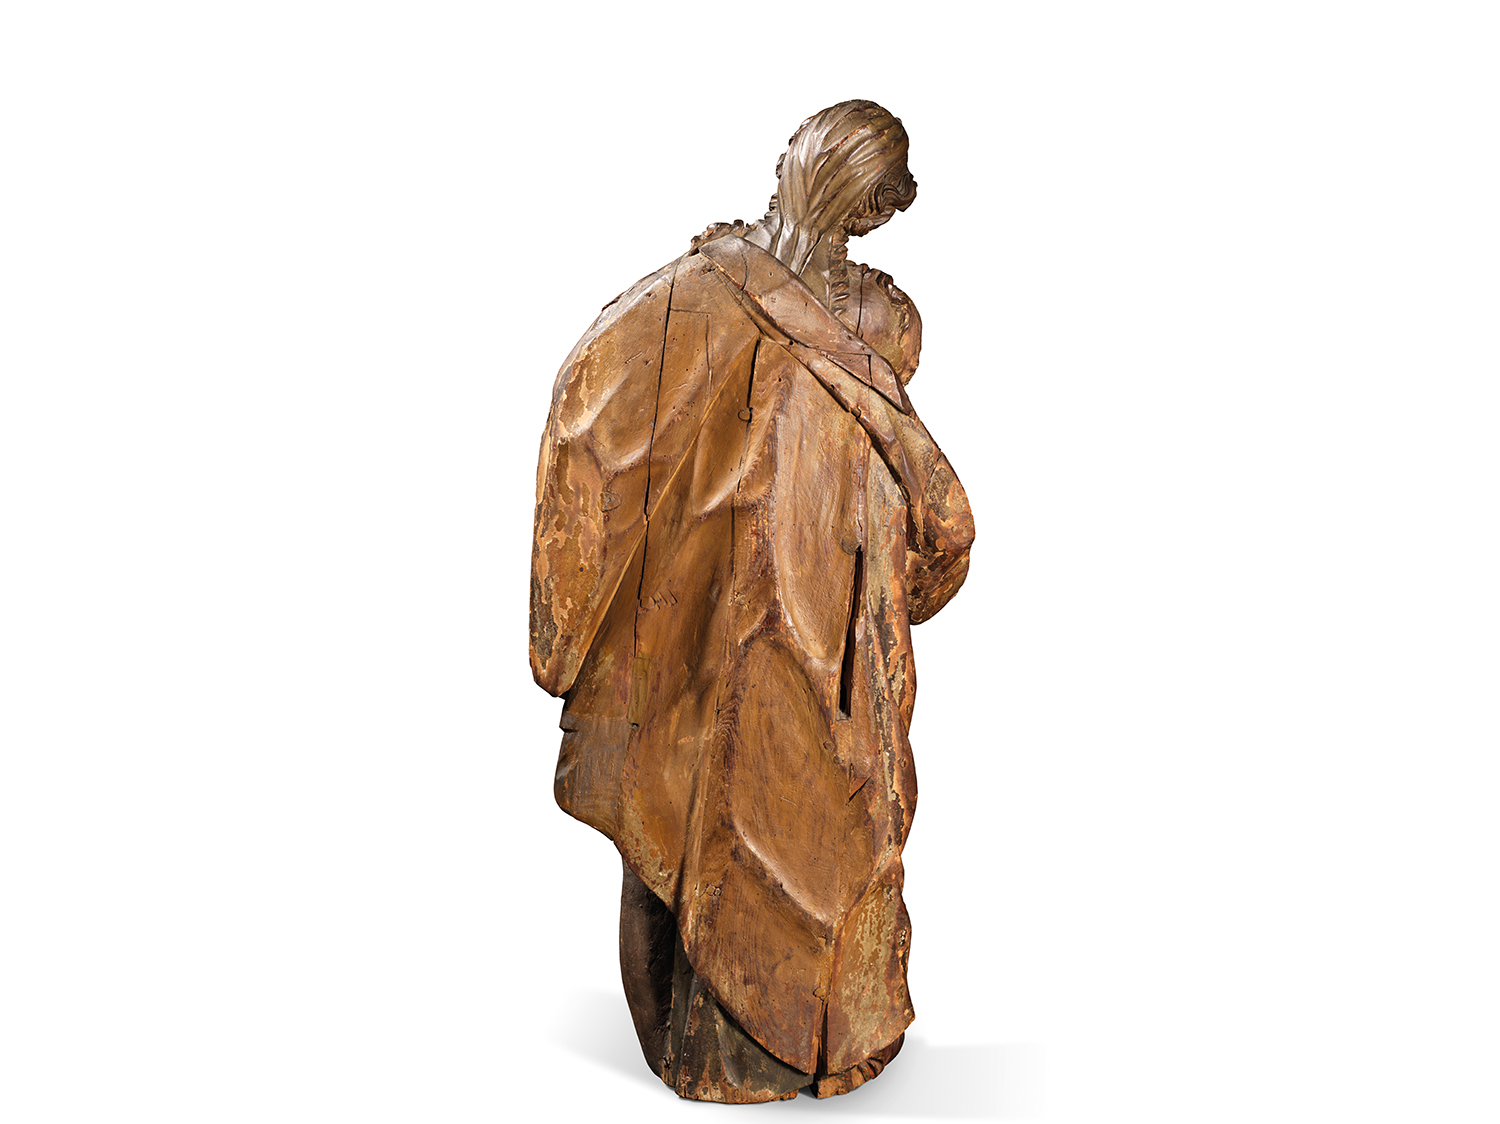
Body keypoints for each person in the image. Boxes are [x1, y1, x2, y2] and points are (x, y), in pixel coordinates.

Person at [529, 101, 975, 1102]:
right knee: (748, 814)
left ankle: (817, 1031)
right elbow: (593, 404)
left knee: (823, 818)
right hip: (746, 626)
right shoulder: (735, 296)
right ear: (870, 205)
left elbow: (590, 413)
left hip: (827, 625)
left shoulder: (799, 304)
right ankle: (734, 1043)